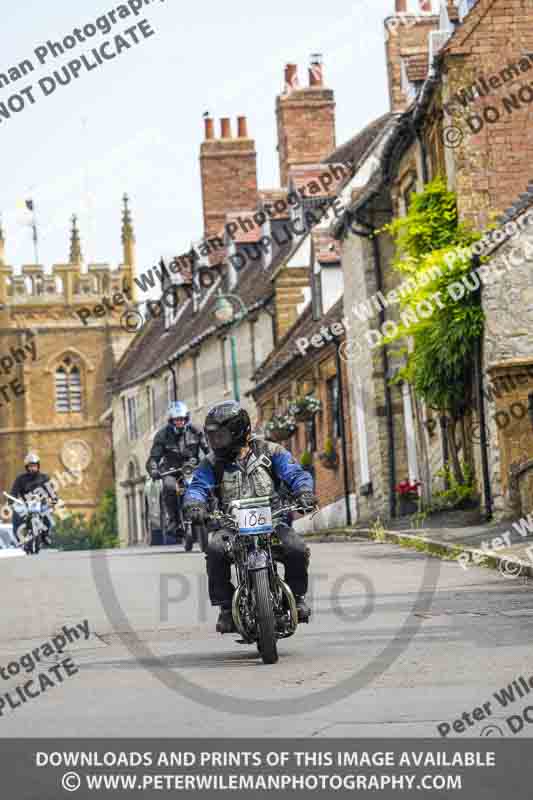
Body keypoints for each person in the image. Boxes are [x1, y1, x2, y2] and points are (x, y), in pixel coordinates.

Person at [183, 401, 317, 634]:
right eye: (212, 436)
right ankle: (226, 608)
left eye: (220, 436)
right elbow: (197, 486)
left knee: (296, 548)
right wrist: (194, 504)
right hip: (232, 526)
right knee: (215, 550)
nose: (215, 442)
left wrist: (304, 491)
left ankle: (296, 597)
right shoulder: (212, 463)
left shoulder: (271, 451)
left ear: (238, 432)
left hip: (273, 522)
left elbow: (294, 473)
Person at [146, 401, 209, 542]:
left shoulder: (196, 431)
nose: (180, 422)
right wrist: (154, 470)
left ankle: (214, 513)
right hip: (171, 471)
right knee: (168, 487)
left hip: (192, 469)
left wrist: (213, 461)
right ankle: (174, 520)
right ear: (171, 420)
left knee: (209, 484)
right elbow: (153, 458)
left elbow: (208, 450)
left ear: (186, 418)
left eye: (182, 419)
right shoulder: (162, 435)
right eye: (176, 420)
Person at [9, 453, 58, 545]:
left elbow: (51, 491)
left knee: (48, 514)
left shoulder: (44, 478)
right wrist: (11, 500)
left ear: (38, 466)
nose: (32, 468)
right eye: (30, 466)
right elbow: (14, 491)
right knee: (16, 516)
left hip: (41, 504)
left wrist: (54, 499)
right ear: (26, 467)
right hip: (25, 505)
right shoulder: (20, 479)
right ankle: (17, 538)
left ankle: (45, 535)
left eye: (34, 466)